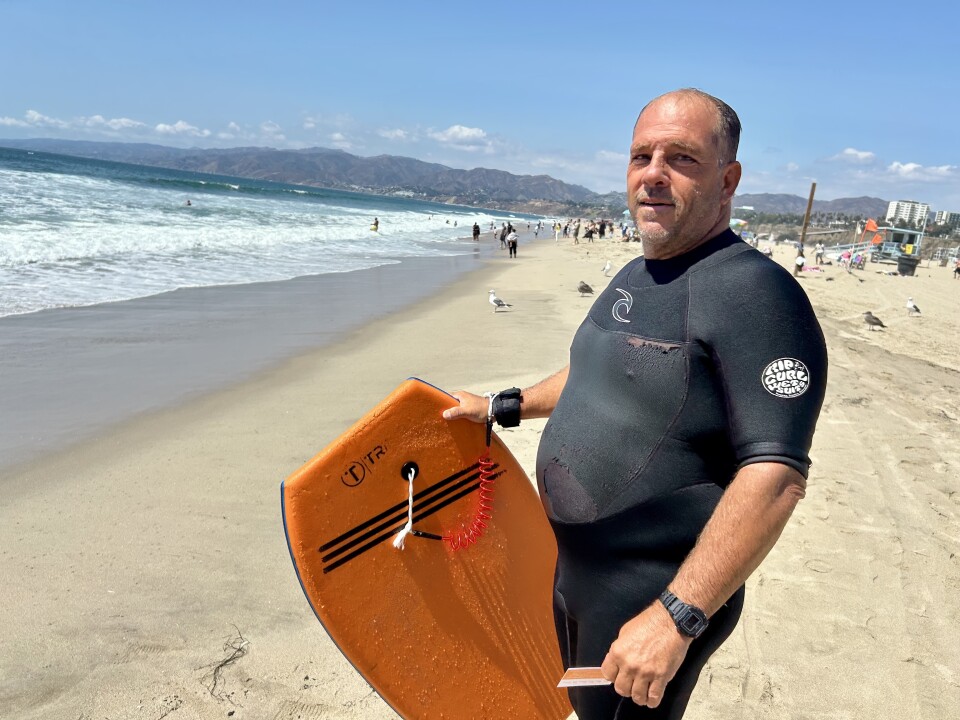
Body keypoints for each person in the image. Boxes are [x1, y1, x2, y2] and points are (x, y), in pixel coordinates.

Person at [442, 89, 827, 719]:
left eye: (682, 158)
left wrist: (676, 619)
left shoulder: (759, 298)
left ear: (728, 180)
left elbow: (776, 476)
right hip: (576, 575)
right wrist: (501, 406)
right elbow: (600, 373)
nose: (653, 173)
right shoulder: (637, 274)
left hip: (650, 598)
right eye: (640, 155)